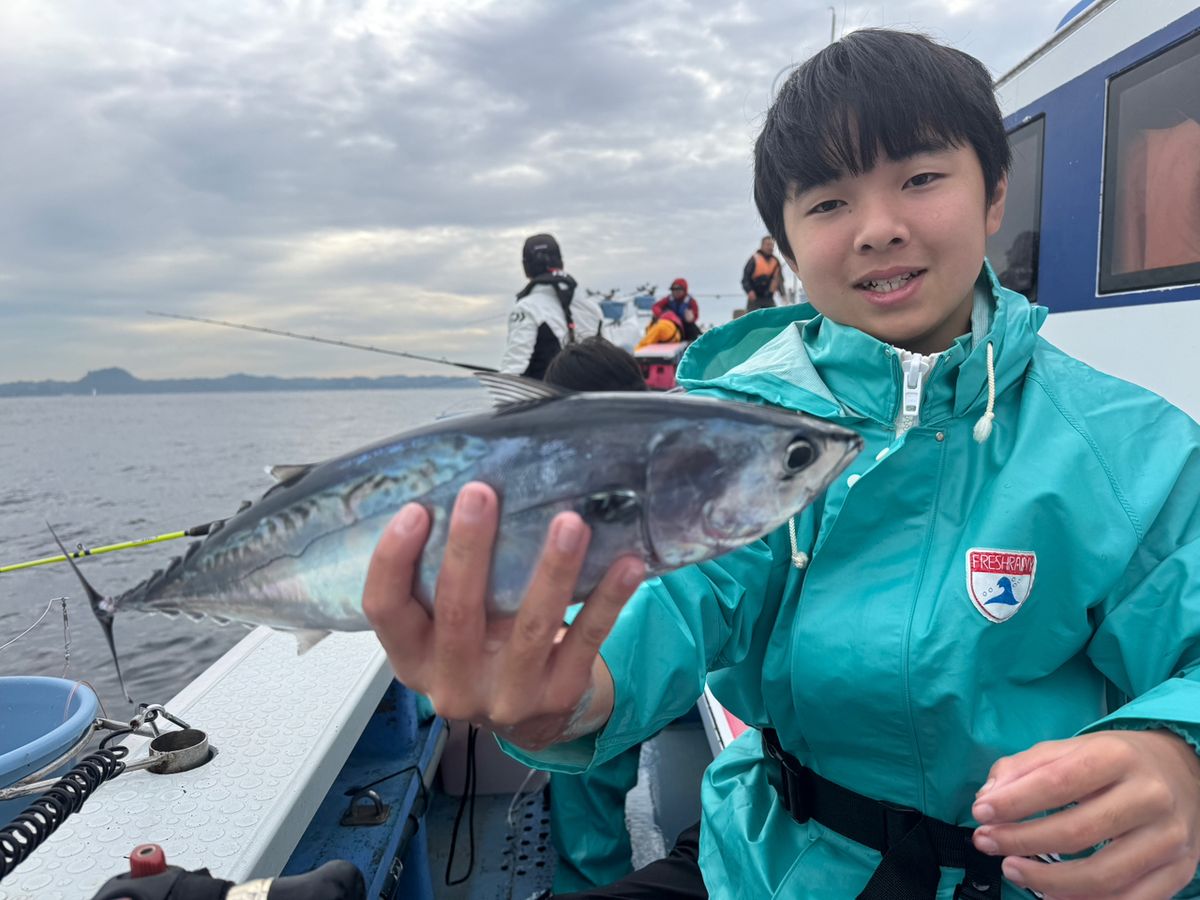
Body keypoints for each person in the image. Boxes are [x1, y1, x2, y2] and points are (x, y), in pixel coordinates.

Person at [363, 28, 1200, 900]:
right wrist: (562, 690)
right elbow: (681, 591)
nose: (879, 229)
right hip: (772, 865)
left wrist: (1181, 757)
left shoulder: (1132, 447)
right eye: (829, 202)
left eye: (920, 178)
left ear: (995, 194)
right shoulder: (741, 435)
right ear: (788, 248)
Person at [542, 337, 647, 893]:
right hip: (670, 651)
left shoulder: (557, 469)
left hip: (600, 657)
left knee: (587, 780)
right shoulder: (662, 453)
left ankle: (590, 884)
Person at [500, 233, 604, 380]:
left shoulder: (526, 308)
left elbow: (514, 368)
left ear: (526, 267)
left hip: (545, 400)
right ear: (560, 262)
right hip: (588, 398)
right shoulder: (593, 309)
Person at [741, 235, 783, 310]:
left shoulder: (776, 262)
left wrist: (783, 295)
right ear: (762, 245)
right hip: (755, 297)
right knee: (752, 319)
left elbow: (779, 280)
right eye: (768, 245)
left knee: (773, 316)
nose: (770, 247)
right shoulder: (754, 259)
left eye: (772, 245)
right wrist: (749, 291)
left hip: (768, 297)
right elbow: (745, 278)